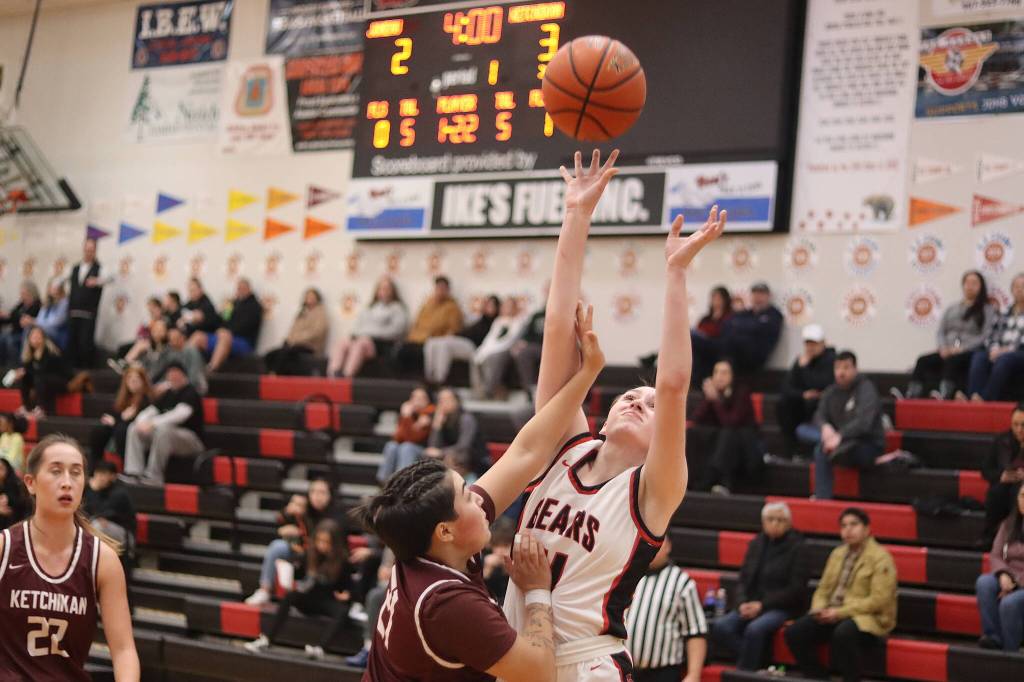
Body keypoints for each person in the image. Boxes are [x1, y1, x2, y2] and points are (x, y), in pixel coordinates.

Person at [502, 150, 726, 682]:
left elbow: (672, 386)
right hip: (511, 650)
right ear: (601, 420)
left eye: (648, 408)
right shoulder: (560, 448)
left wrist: (675, 273)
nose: (637, 400)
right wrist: (576, 216)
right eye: (629, 395)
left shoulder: (654, 491)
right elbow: (557, 330)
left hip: (586, 665)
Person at [355, 295, 608, 680]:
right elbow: (538, 671)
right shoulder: (447, 602)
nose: (477, 493)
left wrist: (587, 373)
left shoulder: (433, 548)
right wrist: (538, 592)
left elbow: (526, 452)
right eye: (465, 494)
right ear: (445, 530)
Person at [0, 435, 139, 680]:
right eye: (56, 471)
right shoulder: (4, 547)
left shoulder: (102, 560)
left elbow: (124, 650)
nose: (67, 482)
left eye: (76, 473)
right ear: (30, 483)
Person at [784, 508, 897, 682]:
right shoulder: (837, 554)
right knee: (794, 632)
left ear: (867, 529)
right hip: (833, 613)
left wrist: (839, 613)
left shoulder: (881, 558)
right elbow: (823, 589)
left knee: (843, 633)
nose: (848, 530)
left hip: (867, 618)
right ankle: (818, 677)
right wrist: (819, 609)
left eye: (854, 525)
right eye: (843, 526)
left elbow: (879, 601)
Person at [711, 502, 808, 671]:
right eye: (770, 519)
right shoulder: (757, 543)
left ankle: (744, 673)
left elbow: (796, 589)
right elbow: (743, 579)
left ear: (789, 523)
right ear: (763, 522)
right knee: (720, 627)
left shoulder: (799, 547)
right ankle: (759, 662)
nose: (775, 524)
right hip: (751, 601)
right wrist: (742, 603)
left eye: (780, 520)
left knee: (754, 629)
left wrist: (762, 605)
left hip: (782, 606)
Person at [246, 519, 355, 660]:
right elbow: (298, 575)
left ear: (334, 543)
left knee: (343, 611)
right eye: (319, 541)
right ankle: (266, 639)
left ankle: (320, 648)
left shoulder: (342, 561)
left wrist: (347, 595)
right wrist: (289, 568)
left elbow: (350, 588)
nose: (322, 545)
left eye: (327, 542)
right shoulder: (309, 554)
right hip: (308, 599)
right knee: (290, 596)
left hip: (326, 601)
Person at [245, 478, 358, 605]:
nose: (317, 496)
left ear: (330, 495)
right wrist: (287, 513)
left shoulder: (338, 515)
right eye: (313, 492)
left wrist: (306, 539)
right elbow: (277, 526)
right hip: (305, 552)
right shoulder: (306, 509)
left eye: (322, 492)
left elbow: (331, 543)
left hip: (329, 558)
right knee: (277, 546)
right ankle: (265, 589)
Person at [626, 536, 708, 682]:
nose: (653, 548)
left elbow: (695, 632)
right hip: (627, 670)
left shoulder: (681, 582)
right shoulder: (628, 576)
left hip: (662, 673)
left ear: (668, 546)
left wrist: (694, 674)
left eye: (659, 543)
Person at [907, 270, 995, 400]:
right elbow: (941, 331)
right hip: (947, 349)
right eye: (967, 283)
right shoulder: (952, 308)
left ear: (981, 286)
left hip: (969, 351)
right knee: (923, 360)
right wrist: (943, 347)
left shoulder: (987, 310)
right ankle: (912, 393)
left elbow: (985, 335)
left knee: (952, 361)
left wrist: (962, 348)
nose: (970, 286)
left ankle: (945, 393)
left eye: (974, 283)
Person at [809, 351, 885, 499]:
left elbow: (864, 423)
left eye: (846, 367)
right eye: (837, 368)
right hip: (842, 442)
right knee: (820, 445)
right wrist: (825, 426)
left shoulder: (866, 389)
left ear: (855, 369)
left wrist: (840, 435)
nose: (841, 372)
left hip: (868, 444)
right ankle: (823, 499)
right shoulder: (831, 391)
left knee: (824, 449)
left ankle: (823, 499)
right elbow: (819, 414)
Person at [121, 362, 204, 485]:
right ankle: (133, 472)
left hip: (191, 441)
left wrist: (153, 423)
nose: (173, 377)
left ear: (183, 375)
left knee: (163, 430)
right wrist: (141, 422)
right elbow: (151, 410)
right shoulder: (168, 394)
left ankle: (154, 476)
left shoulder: (190, 392)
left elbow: (180, 415)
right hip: (168, 437)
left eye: (176, 374)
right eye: (170, 375)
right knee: (134, 428)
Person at [692, 359, 761, 495]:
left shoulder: (742, 392)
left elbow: (730, 422)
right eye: (716, 372)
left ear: (732, 376)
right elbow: (696, 419)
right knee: (693, 432)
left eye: (724, 373)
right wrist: (708, 399)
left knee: (727, 434)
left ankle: (718, 480)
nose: (719, 376)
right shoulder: (713, 393)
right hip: (721, 441)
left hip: (744, 443)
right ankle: (693, 478)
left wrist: (716, 400)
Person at [691, 281, 783, 383]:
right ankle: (699, 383)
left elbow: (754, 331)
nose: (758, 297)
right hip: (731, 349)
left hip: (752, 356)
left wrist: (741, 329)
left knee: (715, 346)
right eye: (755, 294)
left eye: (761, 294)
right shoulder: (745, 313)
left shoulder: (774, 315)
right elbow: (728, 326)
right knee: (696, 341)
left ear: (768, 296)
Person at [329, 275, 409, 378]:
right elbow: (357, 326)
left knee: (360, 344)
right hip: (361, 338)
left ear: (393, 291)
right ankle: (333, 374)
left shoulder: (397, 308)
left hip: (379, 344)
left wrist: (370, 334)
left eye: (387, 288)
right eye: (381, 288)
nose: (383, 291)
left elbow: (397, 330)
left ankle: (346, 376)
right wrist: (355, 335)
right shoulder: (369, 308)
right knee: (343, 343)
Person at [976, 483, 1024, 652]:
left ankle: (1010, 650)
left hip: (1020, 582)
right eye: (1022, 496)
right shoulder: (1008, 524)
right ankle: (993, 637)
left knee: (1009, 603)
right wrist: (1003, 574)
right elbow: (996, 554)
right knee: (984, 582)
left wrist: (1014, 583)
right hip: (1009, 575)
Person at [777, 324, 836, 459]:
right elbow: (786, 387)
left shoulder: (831, 359)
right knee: (784, 404)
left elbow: (821, 384)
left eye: (814, 343)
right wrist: (803, 394)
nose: (811, 347)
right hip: (803, 405)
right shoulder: (801, 361)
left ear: (823, 343)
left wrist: (804, 369)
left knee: (812, 401)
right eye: (808, 343)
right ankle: (791, 451)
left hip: (824, 406)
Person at [641, 286, 731, 369]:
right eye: (713, 298)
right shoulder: (706, 319)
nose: (715, 301)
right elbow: (699, 330)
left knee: (688, 334)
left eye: (718, 298)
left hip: (713, 345)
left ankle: (656, 356)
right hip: (698, 345)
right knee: (682, 336)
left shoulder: (727, 318)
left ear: (725, 300)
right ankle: (659, 356)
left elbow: (722, 337)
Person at [391, 276, 463, 375]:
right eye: (438, 288)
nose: (440, 291)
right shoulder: (427, 305)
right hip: (416, 340)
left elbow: (453, 330)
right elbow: (416, 324)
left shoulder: (453, 308)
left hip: (433, 342)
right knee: (399, 350)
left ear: (448, 290)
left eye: (443, 288)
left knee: (423, 351)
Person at [969, 272, 1024, 401]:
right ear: (1012, 290)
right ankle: (973, 396)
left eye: (1022, 286)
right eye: (1016, 286)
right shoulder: (1003, 312)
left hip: (1019, 352)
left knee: (1004, 360)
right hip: (1000, 351)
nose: (1019, 289)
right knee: (979, 357)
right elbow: (991, 335)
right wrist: (994, 349)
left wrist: (1007, 350)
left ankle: (986, 400)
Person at [423, 295, 499, 386]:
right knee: (432, 342)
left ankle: (440, 380)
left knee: (445, 345)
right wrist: (454, 335)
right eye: (486, 305)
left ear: (497, 308)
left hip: (473, 346)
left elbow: (479, 337)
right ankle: (429, 377)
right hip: (461, 340)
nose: (486, 307)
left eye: (490, 306)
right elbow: (466, 330)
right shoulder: (480, 319)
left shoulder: (496, 322)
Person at [192, 278, 262, 372]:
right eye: (238, 288)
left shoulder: (255, 306)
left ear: (249, 289)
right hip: (224, 336)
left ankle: (211, 370)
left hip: (243, 341)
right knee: (198, 336)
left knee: (225, 337)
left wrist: (228, 332)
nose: (240, 291)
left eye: (242, 288)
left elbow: (247, 326)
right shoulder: (232, 304)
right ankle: (189, 370)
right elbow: (223, 319)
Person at [88, 367, 152, 469]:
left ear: (143, 381)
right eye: (130, 378)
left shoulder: (147, 398)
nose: (133, 381)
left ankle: (125, 467)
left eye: (137, 378)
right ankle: (95, 468)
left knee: (122, 430)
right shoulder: (123, 396)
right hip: (119, 425)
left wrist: (118, 421)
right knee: (99, 431)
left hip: (134, 430)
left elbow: (135, 420)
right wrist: (117, 420)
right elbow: (113, 414)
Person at [981, 404, 1024, 546]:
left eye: (1023, 425)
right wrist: (1001, 475)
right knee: (996, 492)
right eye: (1015, 425)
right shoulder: (1001, 440)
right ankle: (989, 536)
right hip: (1004, 484)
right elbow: (986, 469)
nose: (1019, 429)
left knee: (1019, 494)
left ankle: (1016, 538)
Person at [425, 388, 489, 482]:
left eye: (447, 399)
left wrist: (441, 452)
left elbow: (464, 446)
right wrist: (437, 425)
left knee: (455, 456)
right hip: (453, 456)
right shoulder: (442, 419)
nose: (444, 403)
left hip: (476, 459)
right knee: (427, 455)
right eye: (441, 400)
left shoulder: (466, 418)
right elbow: (433, 447)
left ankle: (456, 485)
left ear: (457, 401)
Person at [264, 288, 328, 376]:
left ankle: (275, 374)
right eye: (307, 296)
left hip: (310, 346)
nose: (309, 299)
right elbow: (293, 330)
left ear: (317, 299)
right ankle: (272, 374)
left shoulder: (321, 313)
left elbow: (317, 332)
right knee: (271, 354)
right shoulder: (301, 312)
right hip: (295, 344)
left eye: (311, 297)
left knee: (287, 353)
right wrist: (289, 339)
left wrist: (298, 339)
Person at [377, 386, 435, 484]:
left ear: (428, 401)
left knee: (406, 447)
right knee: (391, 446)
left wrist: (407, 417)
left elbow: (413, 438)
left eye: (421, 398)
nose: (417, 401)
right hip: (407, 447)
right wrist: (406, 418)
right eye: (414, 398)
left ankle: (402, 483)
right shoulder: (408, 414)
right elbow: (397, 437)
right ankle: (384, 483)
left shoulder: (429, 413)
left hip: (424, 450)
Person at [472, 297, 527, 399]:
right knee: (475, 357)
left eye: (510, 306)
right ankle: (478, 391)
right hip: (491, 349)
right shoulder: (498, 321)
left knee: (494, 358)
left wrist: (491, 351)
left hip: (506, 350)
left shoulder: (519, 322)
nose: (507, 309)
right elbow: (489, 339)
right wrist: (482, 351)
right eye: (505, 306)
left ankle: (488, 390)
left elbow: (510, 341)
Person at [13, 325, 73, 418]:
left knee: (40, 378)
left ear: (44, 338)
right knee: (24, 378)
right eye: (33, 337)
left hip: (61, 381)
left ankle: (41, 409)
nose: (36, 339)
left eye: (38, 336)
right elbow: (29, 372)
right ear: (29, 339)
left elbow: (46, 372)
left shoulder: (50, 352)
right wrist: (20, 374)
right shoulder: (29, 355)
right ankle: (26, 407)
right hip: (42, 381)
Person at [66, 237, 105, 368]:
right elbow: (72, 290)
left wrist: (98, 281)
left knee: (85, 345)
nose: (88, 252)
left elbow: (110, 278)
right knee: (72, 344)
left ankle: (85, 373)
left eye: (91, 250)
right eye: (86, 249)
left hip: (88, 313)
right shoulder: (76, 268)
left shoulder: (99, 268)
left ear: (95, 251)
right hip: (73, 312)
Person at [83, 460, 136, 554]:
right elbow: (84, 510)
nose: (99, 477)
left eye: (104, 474)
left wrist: (94, 490)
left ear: (113, 476)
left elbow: (99, 512)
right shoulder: (90, 488)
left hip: (124, 536)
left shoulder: (119, 493)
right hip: (101, 527)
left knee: (97, 526)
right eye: (98, 473)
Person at [145, 322, 208, 395]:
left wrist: (171, 384)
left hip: (194, 387)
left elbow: (195, 376)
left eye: (175, 339)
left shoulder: (191, 351)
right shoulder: (170, 352)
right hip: (174, 387)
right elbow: (159, 372)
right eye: (170, 340)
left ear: (182, 337)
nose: (172, 342)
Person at [509, 285, 548, 393]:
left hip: (553, 348)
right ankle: (529, 390)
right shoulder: (537, 315)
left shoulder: (563, 315)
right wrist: (521, 343)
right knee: (522, 353)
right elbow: (527, 334)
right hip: (536, 346)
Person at [0, 280, 41, 367]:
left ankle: (15, 366)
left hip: (25, 334)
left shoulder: (37, 305)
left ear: (31, 293)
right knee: (2, 337)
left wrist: (14, 317)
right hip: (15, 331)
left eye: (24, 293)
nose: (21, 296)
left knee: (10, 341)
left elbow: (23, 321)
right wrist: (5, 316)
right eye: (21, 293)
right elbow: (13, 315)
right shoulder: (22, 303)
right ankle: (2, 366)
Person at [21, 279, 69, 351]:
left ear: (60, 288)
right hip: (44, 329)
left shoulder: (64, 302)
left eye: (55, 287)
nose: (53, 289)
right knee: (29, 329)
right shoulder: (47, 302)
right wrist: (31, 321)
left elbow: (55, 323)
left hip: (56, 332)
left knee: (32, 332)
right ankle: (27, 359)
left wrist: (33, 321)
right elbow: (40, 318)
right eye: (51, 287)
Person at [0, 457, 29, 531]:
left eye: (0, 468)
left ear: (7, 469)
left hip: (15, 525)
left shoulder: (17, 485)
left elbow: (23, 506)